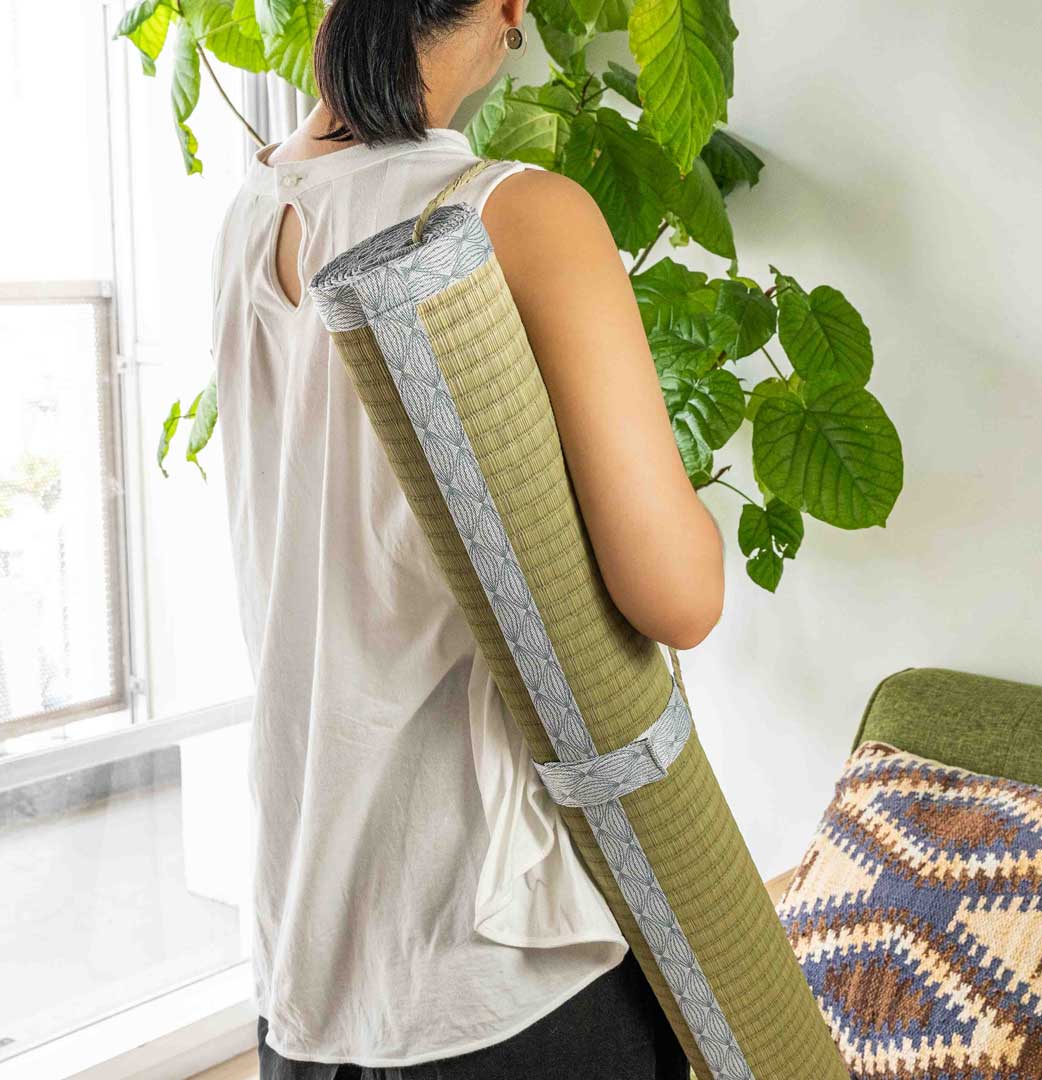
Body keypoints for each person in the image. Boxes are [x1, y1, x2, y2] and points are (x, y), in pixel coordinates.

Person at [209, 1, 726, 1077]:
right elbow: (679, 596)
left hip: (304, 941)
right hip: (497, 952)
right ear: (498, 9)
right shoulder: (514, 215)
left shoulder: (256, 208)